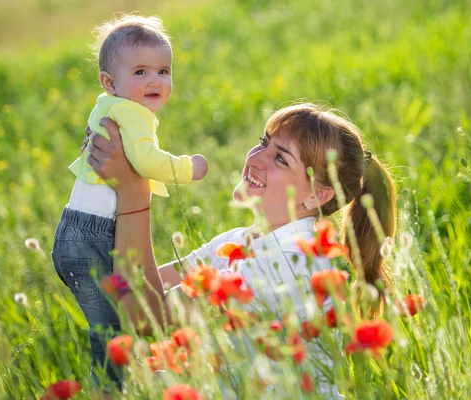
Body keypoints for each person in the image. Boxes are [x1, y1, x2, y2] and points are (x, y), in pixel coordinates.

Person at [85, 102, 397, 393]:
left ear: (317, 196)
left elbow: (143, 315)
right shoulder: (237, 241)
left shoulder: (293, 261)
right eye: (264, 142)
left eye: (280, 158)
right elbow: (133, 291)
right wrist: (127, 162)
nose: (255, 158)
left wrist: (134, 191)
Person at [52, 14, 208, 391]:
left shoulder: (107, 105)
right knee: (115, 333)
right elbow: (146, 161)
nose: (155, 81)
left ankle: (121, 385)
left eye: (163, 71)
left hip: (73, 229)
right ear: (110, 81)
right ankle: (111, 390)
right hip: (96, 236)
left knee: (109, 326)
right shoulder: (134, 113)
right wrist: (189, 168)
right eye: (140, 72)